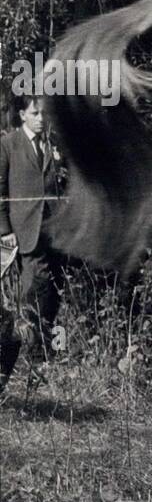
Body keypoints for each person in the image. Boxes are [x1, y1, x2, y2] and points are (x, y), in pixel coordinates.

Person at [0, 94, 65, 372]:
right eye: (35, 113)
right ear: (22, 115)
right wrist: (5, 230)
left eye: (43, 114)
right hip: (24, 230)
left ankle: (40, 352)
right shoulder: (8, 145)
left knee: (53, 289)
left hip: (54, 230)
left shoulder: (52, 144)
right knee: (34, 286)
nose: (41, 119)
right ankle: (25, 353)